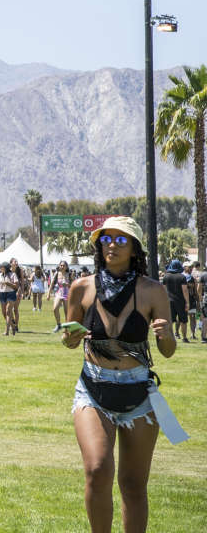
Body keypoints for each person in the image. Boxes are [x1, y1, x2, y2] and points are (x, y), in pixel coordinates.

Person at [60, 217, 177, 533]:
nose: (112, 244)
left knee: (133, 484)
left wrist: (166, 335)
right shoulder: (81, 288)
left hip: (139, 393)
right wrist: (69, 338)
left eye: (122, 240)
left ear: (135, 249)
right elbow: (70, 339)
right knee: (97, 470)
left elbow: (167, 351)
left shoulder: (154, 291)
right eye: (106, 239)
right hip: (93, 390)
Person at [161, 259, 189, 342]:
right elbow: (185, 290)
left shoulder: (166, 276)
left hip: (169, 301)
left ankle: (170, 337)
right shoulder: (182, 277)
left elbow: (164, 290)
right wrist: (187, 302)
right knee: (183, 320)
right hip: (180, 301)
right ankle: (184, 338)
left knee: (170, 321)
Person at [0, 263, 19, 336]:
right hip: (2, 294)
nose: (0, 268)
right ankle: (13, 326)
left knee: (8, 311)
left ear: (6, 268)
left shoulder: (13, 275)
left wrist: (8, 283)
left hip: (11, 293)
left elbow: (16, 286)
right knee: (4, 313)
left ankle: (6, 331)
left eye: (2, 267)